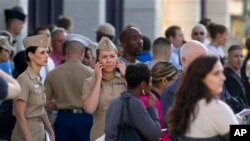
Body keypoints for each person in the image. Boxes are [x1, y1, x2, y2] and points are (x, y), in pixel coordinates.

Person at [167, 56, 239, 141]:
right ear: (201, 78)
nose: (223, 77)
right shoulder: (216, 108)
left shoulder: (184, 105)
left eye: (222, 72)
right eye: (216, 73)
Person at [45, 34, 94, 141]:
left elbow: (44, 100)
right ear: (82, 53)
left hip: (63, 118)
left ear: (66, 52)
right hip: (84, 118)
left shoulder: (53, 73)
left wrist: (58, 105)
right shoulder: (91, 73)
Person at [82, 37, 127, 140]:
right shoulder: (90, 81)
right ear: (98, 60)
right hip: (100, 135)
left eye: (112, 56)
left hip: (123, 135)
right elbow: (89, 109)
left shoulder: (125, 78)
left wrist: (126, 75)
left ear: (117, 58)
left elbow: (136, 103)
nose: (108, 61)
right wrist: (98, 80)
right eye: (104, 57)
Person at [11, 34, 55, 141]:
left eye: (47, 52)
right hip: (26, 132)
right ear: (30, 55)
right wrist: (28, 138)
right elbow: (19, 114)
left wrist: (50, 131)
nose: (47, 56)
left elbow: (40, 108)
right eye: (42, 52)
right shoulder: (24, 79)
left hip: (39, 131)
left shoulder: (38, 78)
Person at [105, 63, 161, 141]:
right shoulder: (135, 103)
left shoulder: (114, 102)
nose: (151, 86)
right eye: (150, 81)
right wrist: (152, 108)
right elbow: (155, 134)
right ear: (143, 84)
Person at [139, 61, 177, 141]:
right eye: (174, 81)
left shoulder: (161, 99)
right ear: (164, 81)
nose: (176, 84)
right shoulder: (147, 101)